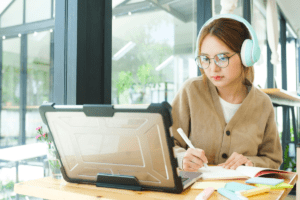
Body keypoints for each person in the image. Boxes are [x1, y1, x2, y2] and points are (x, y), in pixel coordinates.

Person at [171, 14, 283, 172]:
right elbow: (164, 145)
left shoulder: (263, 103)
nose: (213, 68)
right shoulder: (190, 91)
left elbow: (272, 159)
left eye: (222, 58)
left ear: (246, 57)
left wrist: (249, 162)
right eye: (205, 59)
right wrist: (183, 158)